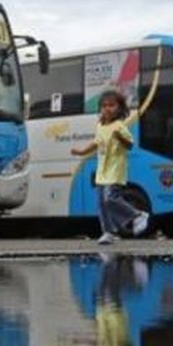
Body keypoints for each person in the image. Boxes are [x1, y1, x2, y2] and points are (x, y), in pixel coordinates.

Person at [71, 90, 150, 245]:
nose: (107, 108)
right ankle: (109, 232)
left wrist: (119, 137)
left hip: (115, 170)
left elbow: (130, 144)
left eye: (112, 105)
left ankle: (138, 215)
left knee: (110, 198)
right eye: (104, 106)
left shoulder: (119, 125)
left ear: (120, 108)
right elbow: (96, 143)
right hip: (103, 171)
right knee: (102, 204)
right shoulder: (101, 126)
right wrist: (81, 151)